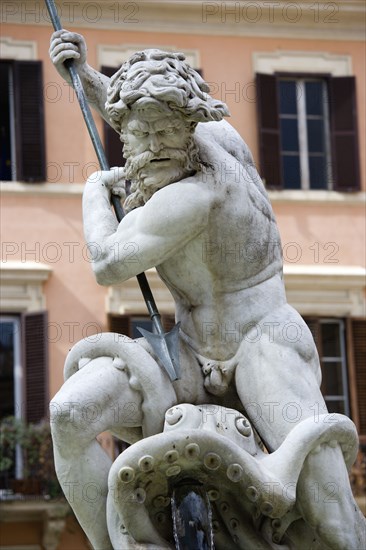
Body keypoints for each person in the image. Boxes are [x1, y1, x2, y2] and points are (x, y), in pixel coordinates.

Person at [49, 30, 365, 550]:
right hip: (188, 353)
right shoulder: (208, 132)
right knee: (69, 415)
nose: (150, 150)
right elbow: (134, 107)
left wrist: (93, 194)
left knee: (334, 522)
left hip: (262, 343)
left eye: (164, 135)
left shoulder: (194, 195)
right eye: (138, 136)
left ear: (190, 126)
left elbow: (107, 263)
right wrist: (83, 75)